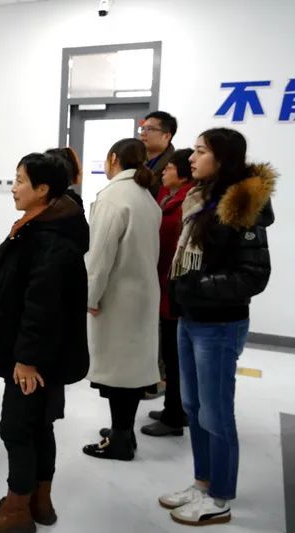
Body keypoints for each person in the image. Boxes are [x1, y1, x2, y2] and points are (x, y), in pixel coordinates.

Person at [159, 128, 275, 526]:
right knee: (193, 407)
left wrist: (198, 285)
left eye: (200, 151)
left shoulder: (243, 206)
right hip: (191, 318)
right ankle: (202, 483)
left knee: (216, 413)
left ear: (222, 158)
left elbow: (253, 276)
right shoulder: (202, 199)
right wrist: (186, 292)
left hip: (220, 323)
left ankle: (220, 497)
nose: (191, 158)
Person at [0, 153, 89, 533]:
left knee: (17, 428)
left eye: (21, 180)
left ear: (43, 189)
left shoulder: (50, 239)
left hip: (35, 357)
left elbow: (42, 306)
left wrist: (26, 360)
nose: (14, 187)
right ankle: (40, 500)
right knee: (39, 425)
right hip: (43, 353)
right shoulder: (46, 225)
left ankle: (17, 509)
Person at [82, 138, 161, 461]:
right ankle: (122, 431)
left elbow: (100, 257)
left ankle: (120, 440)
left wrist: (90, 297)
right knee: (129, 370)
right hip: (141, 294)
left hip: (117, 297)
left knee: (119, 373)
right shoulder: (145, 196)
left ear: (113, 159)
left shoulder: (113, 197)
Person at [141, 149, 195, 438]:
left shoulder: (188, 201)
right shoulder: (167, 196)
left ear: (183, 174)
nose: (164, 171)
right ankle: (174, 408)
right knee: (171, 353)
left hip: (173, 286)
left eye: (170, 168)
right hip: (164, 284)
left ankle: (175, 415)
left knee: (175, 357)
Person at [140, 111, 177, 197]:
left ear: (167, 136)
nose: (142, 133)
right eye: (142, 129)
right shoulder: (134, 160)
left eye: (150, 129)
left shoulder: (175, 166)